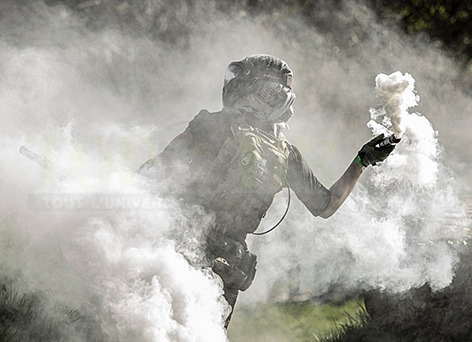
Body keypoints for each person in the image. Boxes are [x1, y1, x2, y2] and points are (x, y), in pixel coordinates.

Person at [137, 54, 395, 327]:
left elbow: (155, 172)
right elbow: (327, 205)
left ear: (248, 87)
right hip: (230, 263)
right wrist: (362, 160)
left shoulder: (211, 124)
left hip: (182, 247)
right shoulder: (286, 154)